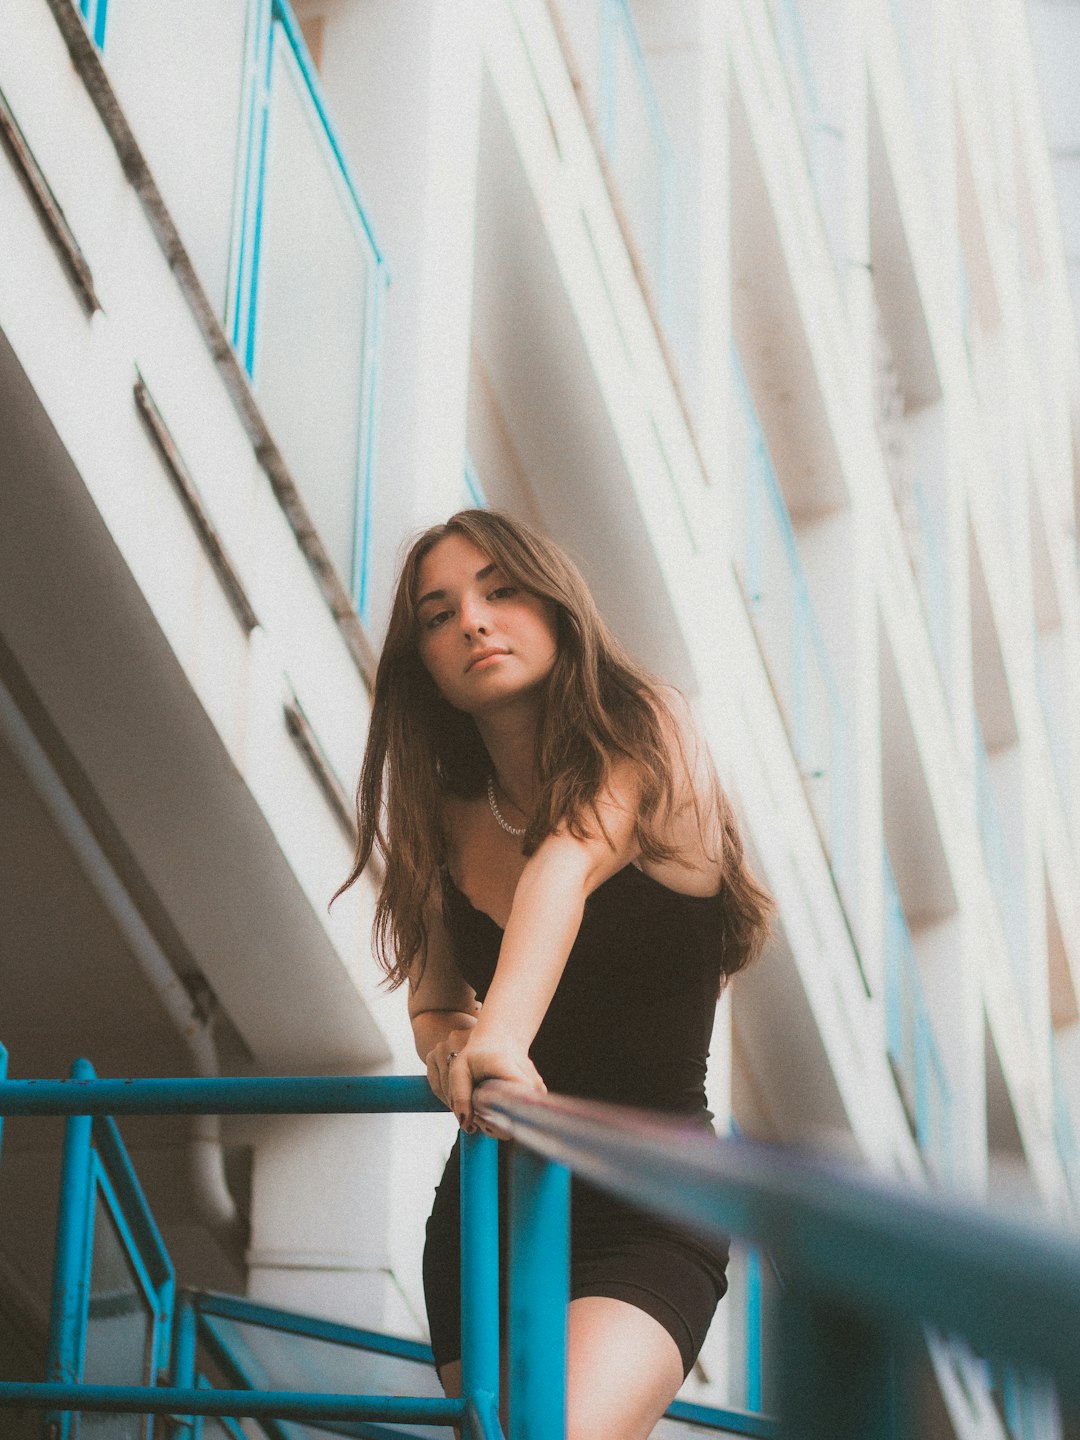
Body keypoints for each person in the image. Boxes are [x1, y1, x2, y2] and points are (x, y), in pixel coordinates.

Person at [335, 509, 774, 1439]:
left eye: (501, 590)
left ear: (557, 604)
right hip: (495, 1197)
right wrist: (452, 1046)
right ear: (425, 665)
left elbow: (566, 864)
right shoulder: (447, 817)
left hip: (653, 1203)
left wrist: (498, 1039)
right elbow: (436, 1002)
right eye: (438, 613)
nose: (474, 622)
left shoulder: (654, 730)